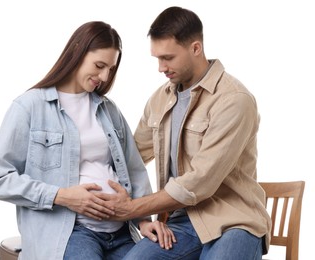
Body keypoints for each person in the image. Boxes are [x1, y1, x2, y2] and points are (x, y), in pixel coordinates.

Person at [96, 6, 272, 260]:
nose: (160, 67)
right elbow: (130, 155)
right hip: (181, 222)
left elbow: (200, 181)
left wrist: (131, 209)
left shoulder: (234, 100)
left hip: (235, 221)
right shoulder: (160, 98)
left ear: (196, 48)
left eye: (168, 57)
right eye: (157, 58)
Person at [0, 21, 169, 260]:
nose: (104, 77)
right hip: (71, 233)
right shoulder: (30, 107)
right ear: (78, 52)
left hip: (121, 231)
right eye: (99, 65)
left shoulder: (109, 110)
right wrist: (62, 196)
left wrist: (143, 220)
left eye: (110, 69)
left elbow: (135, 171)